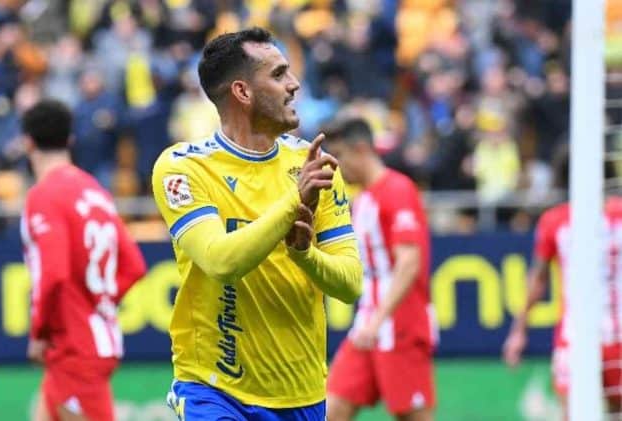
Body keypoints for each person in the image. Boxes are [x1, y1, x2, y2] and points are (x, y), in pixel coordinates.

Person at [151, 27, 363, 420]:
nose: (295, 84)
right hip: (214, 390)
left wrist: (304, 254)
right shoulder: (184, 168)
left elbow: (350, 284)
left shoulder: (315, 168)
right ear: (243, 92)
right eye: (279, 74)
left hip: (300, 395)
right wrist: (292, 204)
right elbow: (219, 261)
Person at [20, 99, 147, 421]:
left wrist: (39, 333)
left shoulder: (44, 194)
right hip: (92, 337)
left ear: (27, 143)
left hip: (73, 346)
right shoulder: (95, 191)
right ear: (70, 140)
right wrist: (98, 303)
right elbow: (133, 266)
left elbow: (53, 273)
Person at [324, 118, 437, 421]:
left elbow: (409, 262)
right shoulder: (362, 199)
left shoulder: (398, 190)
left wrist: (378, 321)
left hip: (400, 324)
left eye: (340, 155)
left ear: (361, 149)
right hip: (368, 323)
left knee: (412, 415)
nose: (337, 166)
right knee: (330, 408)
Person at [503, 153, 622, 417]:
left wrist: (518, 332)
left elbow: (537, 279)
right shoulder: (555, 221)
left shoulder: (612, 214)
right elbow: (538, 279)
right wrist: (518, 330)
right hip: (576, 337)